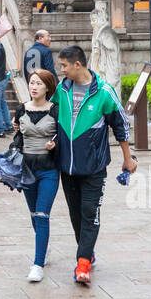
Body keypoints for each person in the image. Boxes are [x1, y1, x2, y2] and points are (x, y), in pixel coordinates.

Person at [54, 44, 136, 286]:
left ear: (77, 64)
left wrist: (127, 157)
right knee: (75, 214)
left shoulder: (104, 92)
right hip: (67, 166)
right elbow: (51, 113)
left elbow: (120, 124)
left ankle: (83, 263)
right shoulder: (62, 88)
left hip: (94, 167)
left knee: (90, 213)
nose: (62, 70)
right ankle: (87, 252)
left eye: (64, 66)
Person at [13, 69, 60, 283]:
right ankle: (44, 247)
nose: (34, 87)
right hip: (27, 169)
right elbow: (17, 136)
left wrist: (55, 143)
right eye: (32, 82)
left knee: (42, 214)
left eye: (39, 83)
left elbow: (65, 138)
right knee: (34, 215)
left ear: (48, 88)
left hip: (49, 169)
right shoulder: (21, 109)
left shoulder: (56, 111)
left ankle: (37, 264)